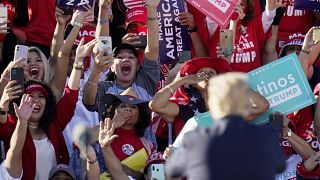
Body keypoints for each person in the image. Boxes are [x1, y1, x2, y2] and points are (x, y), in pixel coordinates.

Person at [165, 72, 285, 180]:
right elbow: (280, 166)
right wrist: (240, 88)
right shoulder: (267, 136)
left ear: (214, 103)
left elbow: (171, 170)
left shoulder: (195, 139)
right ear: (245, 103)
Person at [0, 41, 82, 179]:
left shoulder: (54, 123)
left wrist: (78, 62)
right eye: (30, 96)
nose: (36, 100)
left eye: (41, 96)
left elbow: (70, 95)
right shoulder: (14, 124)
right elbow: (2, 128)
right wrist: (3, 105)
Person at [150, 57, 269, 138]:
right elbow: (155, 105)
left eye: (211, 73)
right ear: (193, 82)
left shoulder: (229, 110)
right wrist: (182, 80)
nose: (206, 75)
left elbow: (262, 106)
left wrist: (234, 84)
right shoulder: (186, 108)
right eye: (201, 73)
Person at [83, 0, 160, 111]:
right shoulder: (105, 88)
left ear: (138, 66)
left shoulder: (145, 82)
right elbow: (88, 102)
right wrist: (103, 11)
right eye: (119, 57)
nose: (125, 59)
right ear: (112, 66)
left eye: (131, 57)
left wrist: (152, 9)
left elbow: (153, 48)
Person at [96, 88, 154, 179]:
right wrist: (113, 123)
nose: (128, 109)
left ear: (139, 116)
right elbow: (80, 140)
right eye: (123, 106)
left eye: (133, 107)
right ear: (113, 111)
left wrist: (130, 172)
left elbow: (152, 176)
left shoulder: (147, 145)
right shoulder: (101, 133)